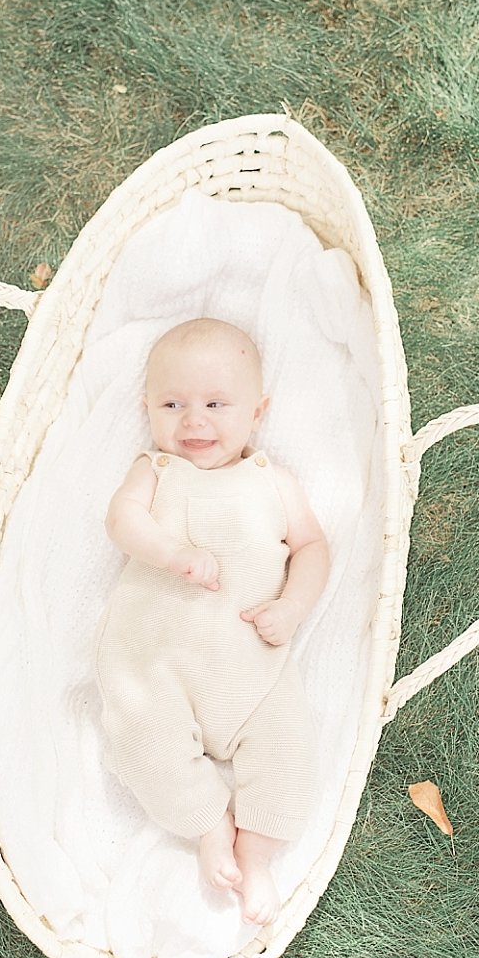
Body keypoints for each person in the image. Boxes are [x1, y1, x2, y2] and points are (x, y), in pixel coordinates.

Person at [94, 318, 328, 926]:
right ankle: (206, 825)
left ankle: (257, 857)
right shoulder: (156, 471)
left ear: (258, 412)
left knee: (290, 753)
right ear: (147, 410)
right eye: (172, 404)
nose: (193, 421)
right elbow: (122, 520)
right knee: (141, 739)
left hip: (252, 666)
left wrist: (293, 607)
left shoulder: (273, 481)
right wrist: (173, 555)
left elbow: (311, 549)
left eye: (215, 404)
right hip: (157, 662)